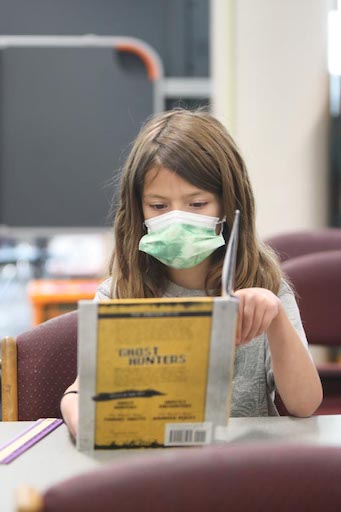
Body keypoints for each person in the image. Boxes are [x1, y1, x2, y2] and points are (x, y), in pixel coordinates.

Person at [61, 108, 322, 438]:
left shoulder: (264, 288)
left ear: (228, 205)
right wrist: (76, 407)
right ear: (138, 208)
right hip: (152, 471)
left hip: (243, 472)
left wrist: (275, 320)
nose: (177, 219)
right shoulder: (119, 294)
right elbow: (81, 394)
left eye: (197, 204)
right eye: (158, 206)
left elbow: (305, 404)